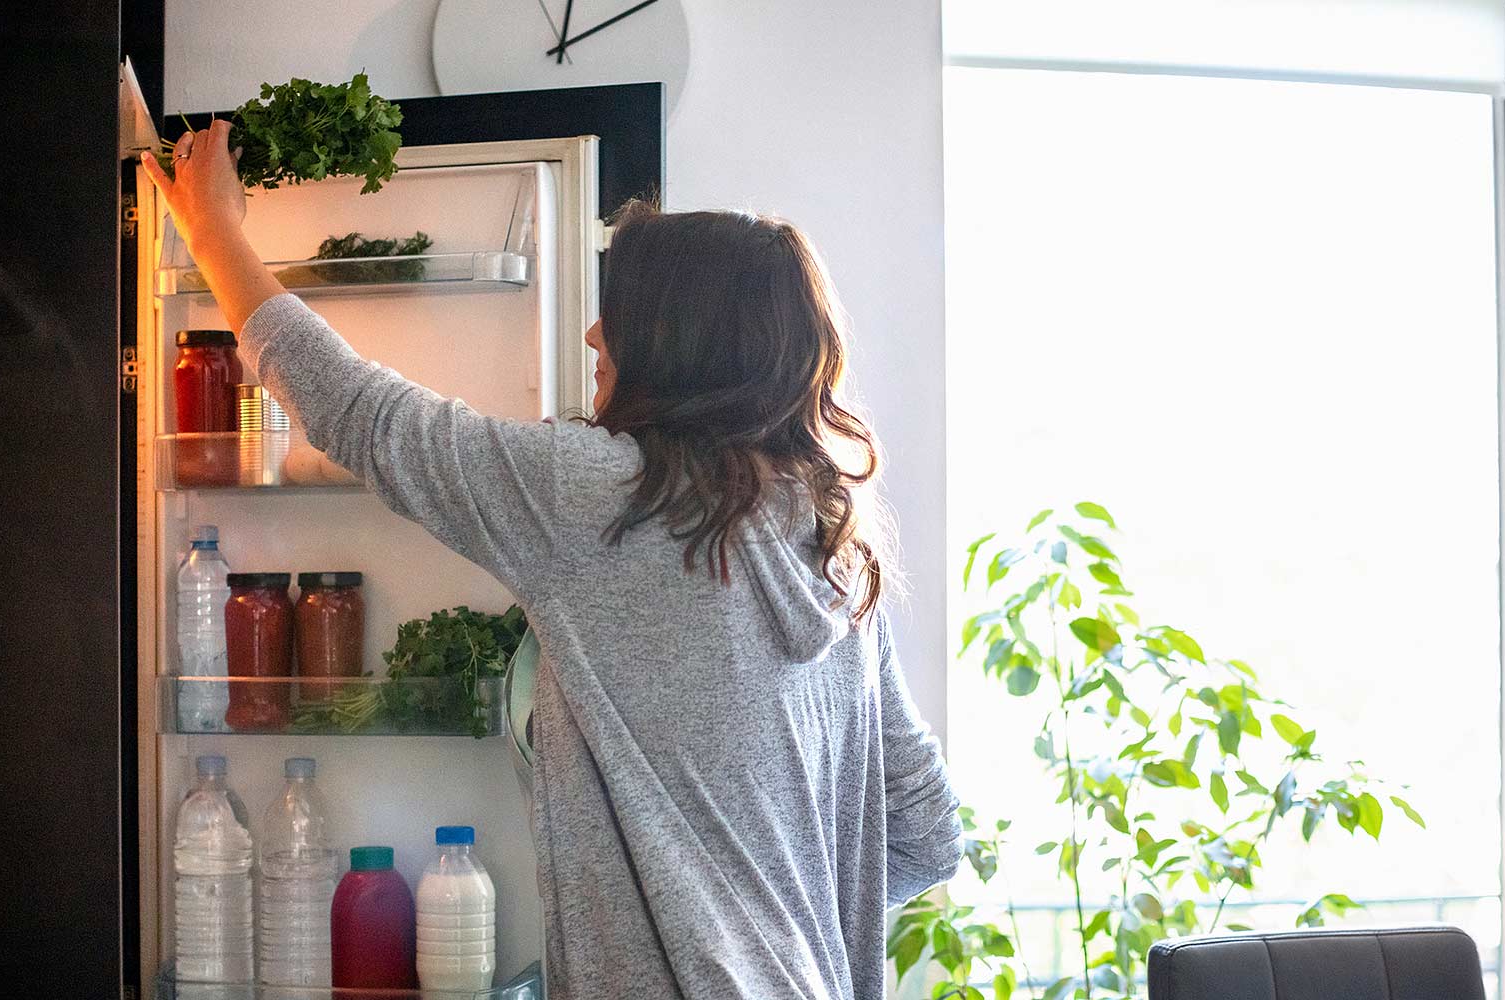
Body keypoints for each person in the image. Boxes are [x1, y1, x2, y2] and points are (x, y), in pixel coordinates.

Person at [143, 122, 962, 1000]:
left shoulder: (609, 496)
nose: (593, 334)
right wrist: (763, 927)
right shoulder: (831, 540)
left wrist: (216, 230)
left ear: (674, 348)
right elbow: (923, 828)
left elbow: (366, 417)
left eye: (623, 314)